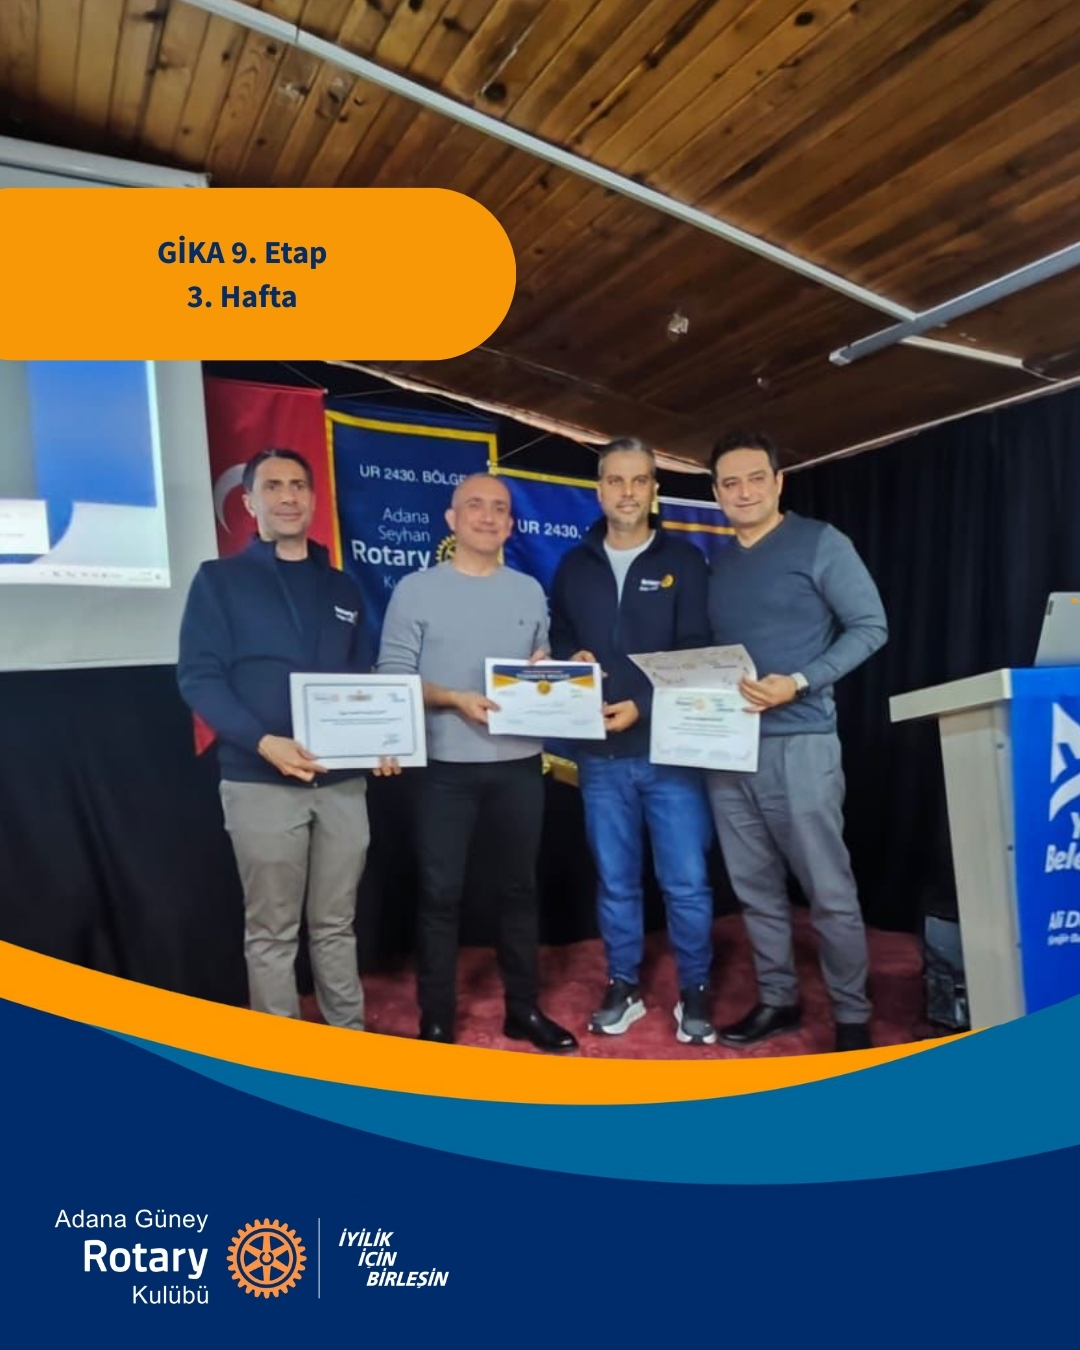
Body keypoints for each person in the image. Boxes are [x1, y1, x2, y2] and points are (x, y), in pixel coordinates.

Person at [178, 448, 390, 1031]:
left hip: (341, 783)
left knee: (336, 924)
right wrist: (263, 742)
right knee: (272, 931)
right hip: (260, 780)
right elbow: (199, 677)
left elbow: (364, 680)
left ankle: (348, 1043)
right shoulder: (219, 581)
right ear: (249, 502)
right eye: (273, 486)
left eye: (298, 485)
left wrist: (380, 740)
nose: (288, 496)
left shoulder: (343, 588)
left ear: (314, 498)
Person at [376, 472, 578, 1052]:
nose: (488, 517)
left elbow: (540, 665)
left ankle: (523, 1009)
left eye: (499, 509)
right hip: (443, 769)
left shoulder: (528, 590)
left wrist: (551, 671)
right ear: (452, 519)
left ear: (511, 524)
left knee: (519, 891)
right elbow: (394, 677)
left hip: (520, 765)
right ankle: (436, 1018)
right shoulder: (415, 589)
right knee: (440, 895)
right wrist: (453, 699)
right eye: (475, 506)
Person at [706, 431, 887, 1052]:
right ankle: (777, 1000)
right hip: (728, 749)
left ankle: (852, 1017)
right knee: (754, 890)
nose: (744, 492)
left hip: (802, 744)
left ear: (779, 481)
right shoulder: (718, 564)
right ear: (716, 493)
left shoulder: (820, 542)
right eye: (731, 483)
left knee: (828, 891)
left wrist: (801, 681)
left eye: (756, 478)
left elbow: (871, 626)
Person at [550, 438, 718, 1045]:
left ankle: (695, 988)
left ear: (653, 490)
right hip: (600, 756)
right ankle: (623, 984)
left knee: (686, 882)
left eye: (638, 480)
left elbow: (697, 652)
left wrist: (642, 706)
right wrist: (571, 656)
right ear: (599, 491)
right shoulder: (574, 565)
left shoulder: (686, 561)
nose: (626, 492)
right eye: (615, 481)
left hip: (672, 751)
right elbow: (561, 633)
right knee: (616, 881)